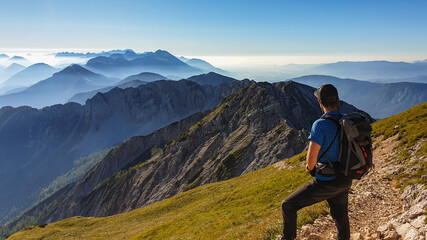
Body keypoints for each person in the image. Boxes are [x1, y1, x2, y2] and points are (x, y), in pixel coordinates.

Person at [281, 84, 353, 240]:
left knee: (288, 205)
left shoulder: (320, 125)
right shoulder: (347, 120)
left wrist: (310, 168)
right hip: (345, 179)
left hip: (326, 182)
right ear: (338, 100)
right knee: (341, 219)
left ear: (320, 103)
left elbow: (311, 159)